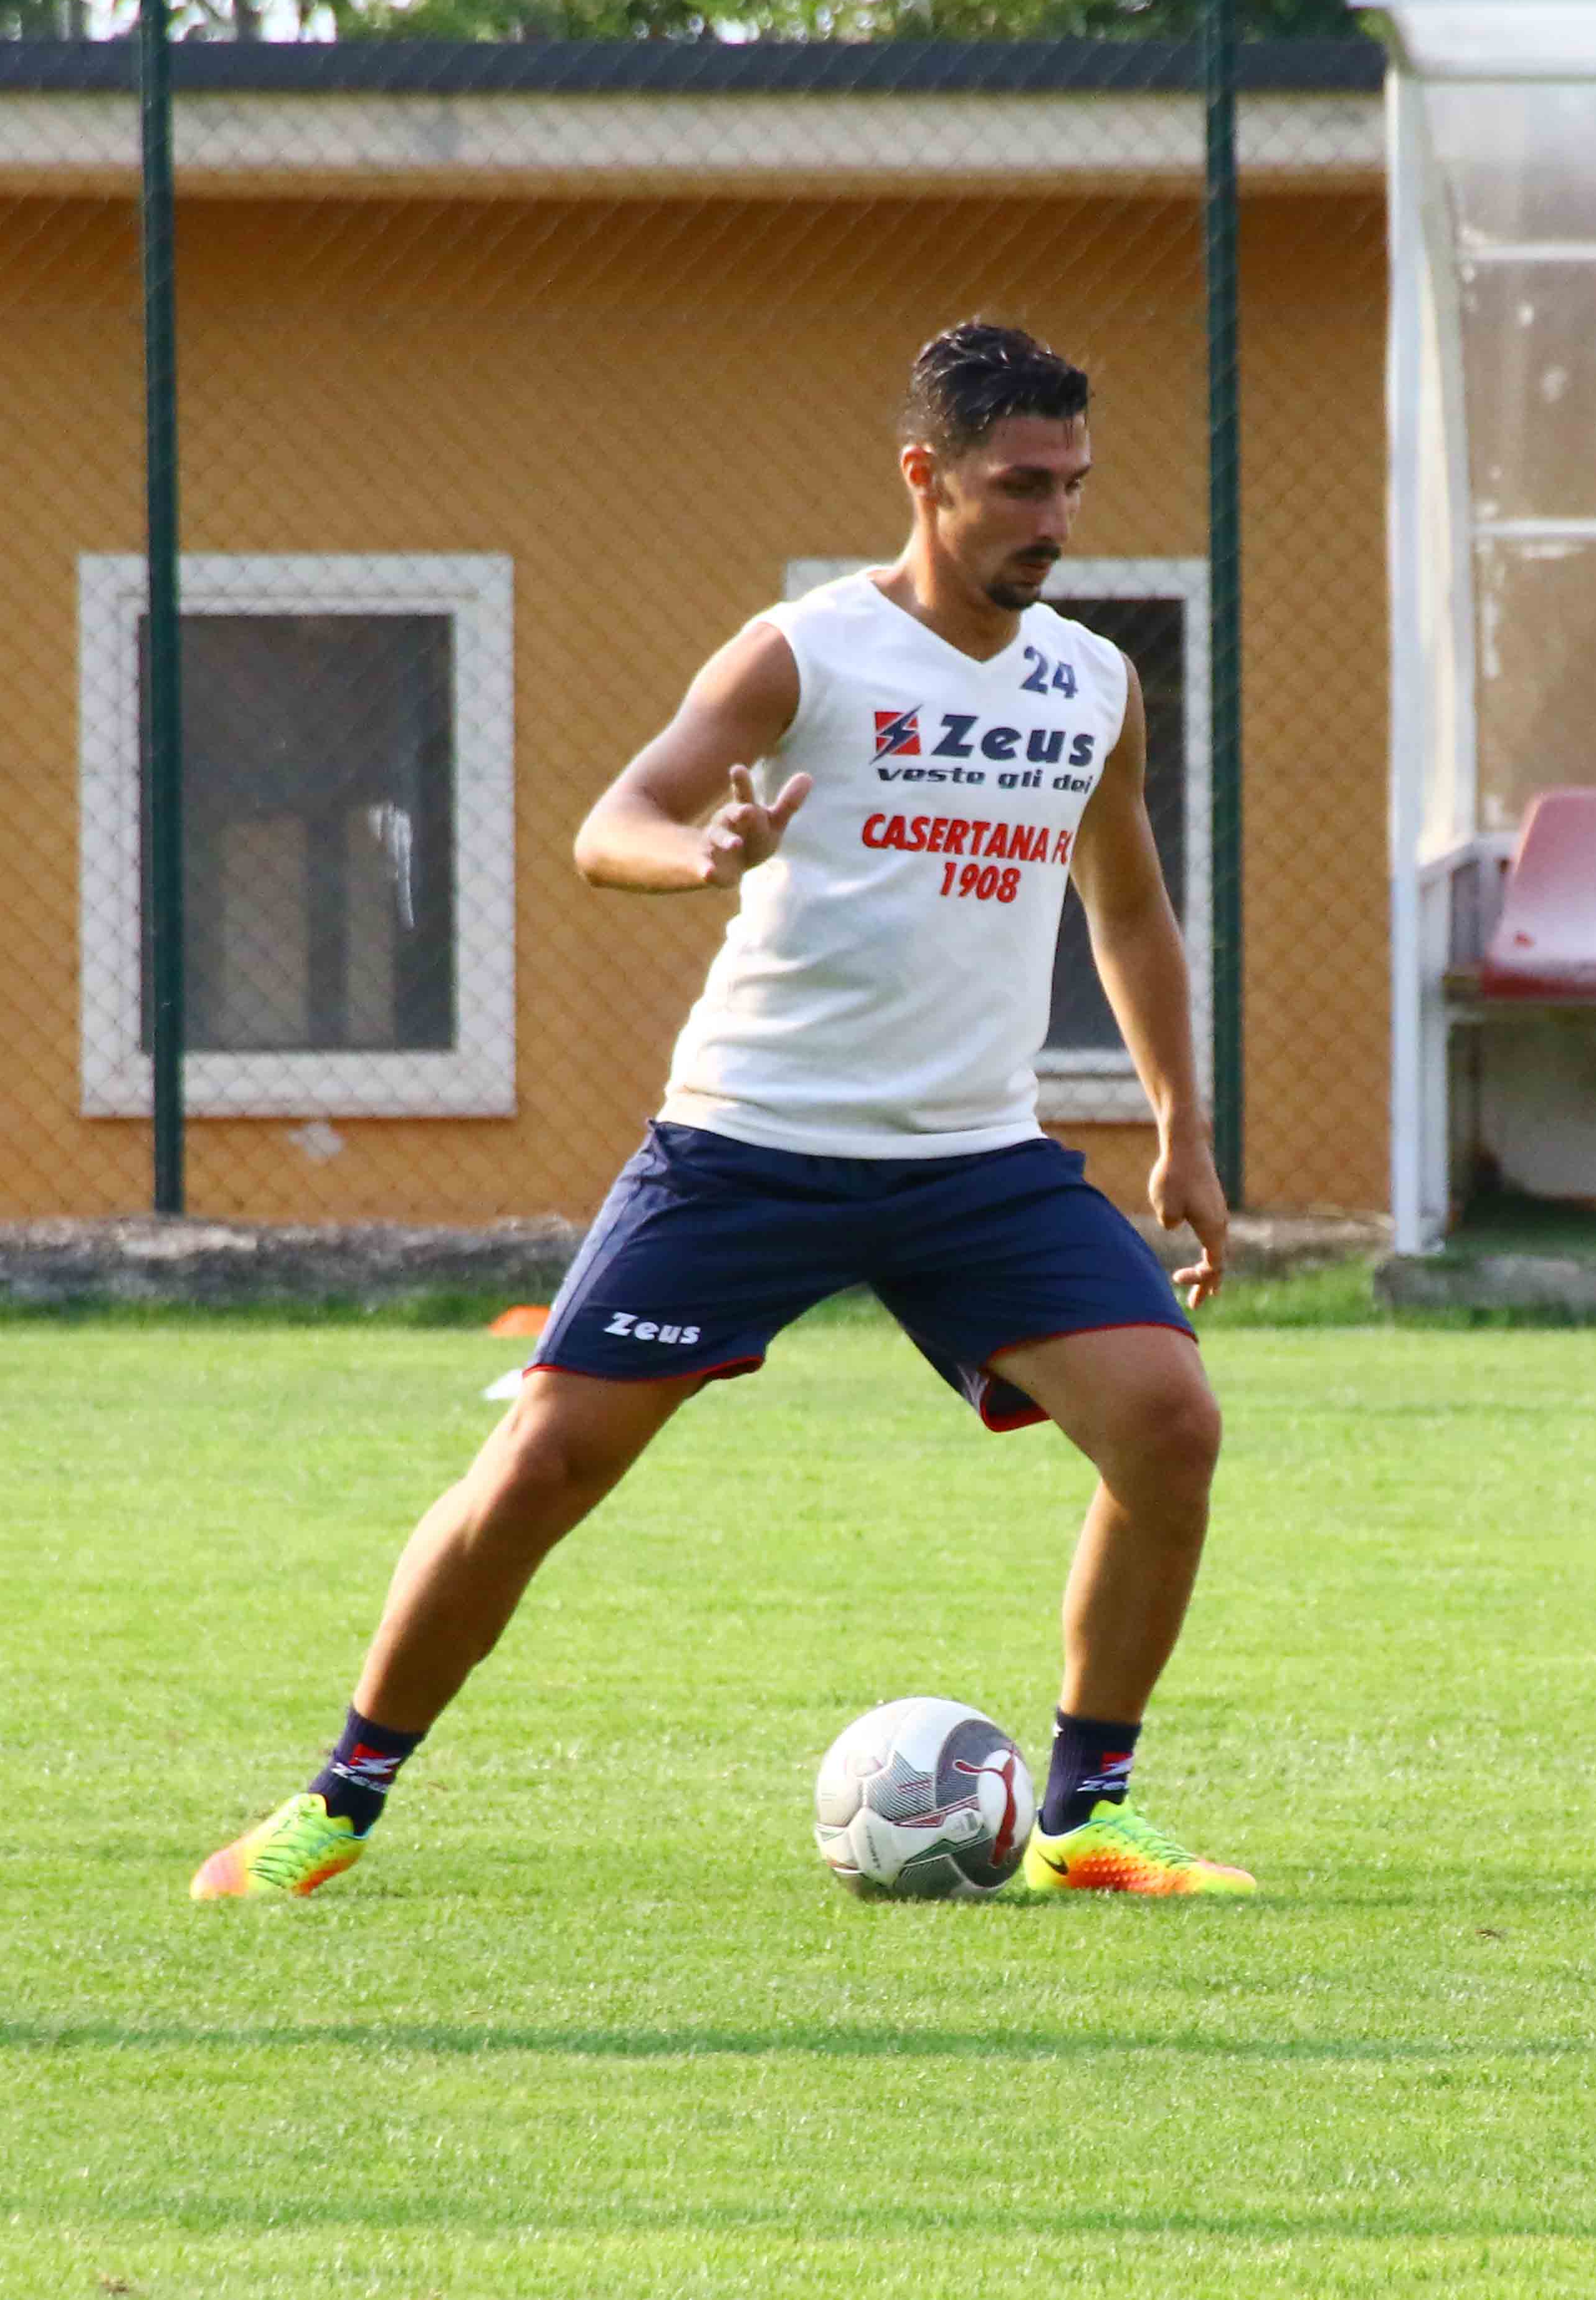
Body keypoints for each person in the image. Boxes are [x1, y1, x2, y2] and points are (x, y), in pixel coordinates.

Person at [192, 322, 1252, 1902]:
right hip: (751, 1144)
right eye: (1020, 486)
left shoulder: (1092, 683)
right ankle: (333, 1808)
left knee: (1169, 1425)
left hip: (973, 1158)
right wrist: (701, 857)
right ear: (926, 476)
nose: (1055, 519)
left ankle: (1088, 1815)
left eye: (1073, 486)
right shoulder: (801, 653)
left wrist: (1184, 1130)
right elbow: (613, 821)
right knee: (543, 1467)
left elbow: (1131, 908)